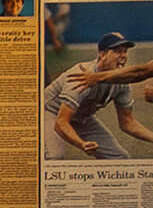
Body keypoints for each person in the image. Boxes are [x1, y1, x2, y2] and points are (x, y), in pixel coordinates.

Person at [44, 32, 153, 160]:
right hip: (50, 112)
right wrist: (81, 143)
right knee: (55, 156)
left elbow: (127, 123)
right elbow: (61, 122)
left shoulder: (123, 81)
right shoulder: (81, 76)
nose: (123, 56)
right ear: (102, 54)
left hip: (81, 117)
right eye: (117, 51)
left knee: (120, 158)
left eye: (125, 52)